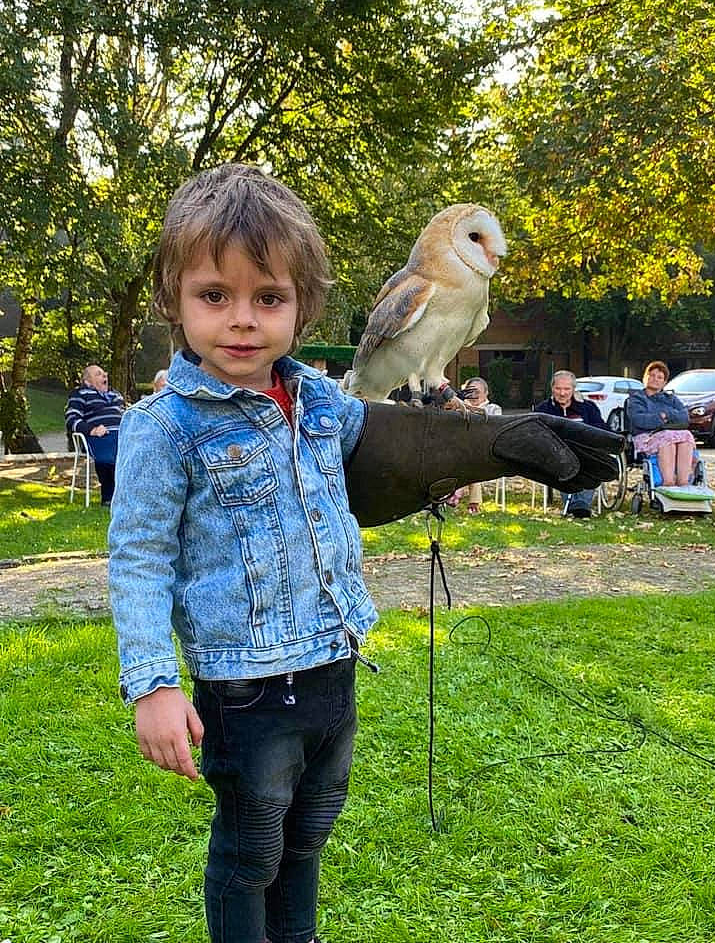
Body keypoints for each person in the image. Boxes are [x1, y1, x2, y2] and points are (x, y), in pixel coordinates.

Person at [108, 164, 623, 943]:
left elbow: (390, 451)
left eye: (268, 298)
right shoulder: (163, 427)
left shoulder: (319, 402)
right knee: (250, 851)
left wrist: (502, 445)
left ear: (302, 306)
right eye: (215, 296)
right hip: (245, 685)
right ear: (175, 300)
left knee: (309, 837)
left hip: (335, 663)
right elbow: (140, 560)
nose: (242, 320)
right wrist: (151, 683)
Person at [534, 370, 609, 518]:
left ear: (574, 390)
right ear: (552, 389)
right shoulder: (543, 410)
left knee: (590, 463)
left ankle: (579, 504)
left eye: (567, 389)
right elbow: (536, 434)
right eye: (558, 388)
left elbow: (602, 429)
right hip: (556, 454)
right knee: (565, 462)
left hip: (585, 452)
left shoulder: (587, 408)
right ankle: (578, 505)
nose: (562, 393)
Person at [627, 360, 695, 486]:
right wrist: (661, 419)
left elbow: (684, 417)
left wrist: (666, 415)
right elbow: (639, 420)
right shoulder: (636, 399)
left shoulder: (671, 399)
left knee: (686, 437)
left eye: (659, 377)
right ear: (645, 378)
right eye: (652, 375)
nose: (655, 379)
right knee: (668, 438)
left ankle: (683, 483)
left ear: (664, 383)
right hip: (646, 437)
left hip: (672, 435)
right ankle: (668, 482)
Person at [65, 364, 125, 505]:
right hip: (98, 436)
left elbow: (126, 414)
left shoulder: (116, 395)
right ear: (87, 382)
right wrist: (92, 430)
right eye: (98, 374)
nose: (104, 376)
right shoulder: (80, 394)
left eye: (104, 373)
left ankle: (132, 496)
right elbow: (71, 418)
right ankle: (109, 497)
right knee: (109, 453)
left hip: (123, 435)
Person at [447, 377, 502, 513]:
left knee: (472, 461)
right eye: (469, 392)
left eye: (477, 391)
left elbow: (493, 431)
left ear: (486, 393)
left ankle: (457, 493)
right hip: (461, 453)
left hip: (485, 452)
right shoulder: (459, 408)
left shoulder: (493, 409)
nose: (473, 395)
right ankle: (474, 503)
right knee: (469, 462)